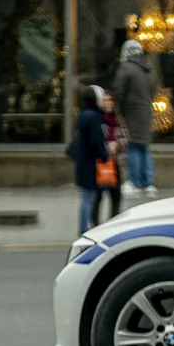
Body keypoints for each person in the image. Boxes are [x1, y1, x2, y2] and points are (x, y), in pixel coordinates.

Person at [113, 39, 158, 198]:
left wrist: (117, 109)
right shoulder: (149, 69)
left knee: (132, 147)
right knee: (144, 147)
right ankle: (149, 183)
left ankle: (135, 182)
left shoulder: (126, 68)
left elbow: (118, 91)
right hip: (146, 111)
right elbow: (153, 91)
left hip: (131, 112)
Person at [73, 85, 110, 236]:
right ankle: (83, 229)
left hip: (83, 162)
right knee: (88, 197)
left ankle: (84, 227)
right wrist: (105, 155)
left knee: (86, 196)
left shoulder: (84, 115)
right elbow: (95, 141)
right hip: (90, 163)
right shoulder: (93, 117)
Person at [90, 86, 125, 228]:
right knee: (97, 197)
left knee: (116, 195)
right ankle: (95, 225)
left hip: (113, 162)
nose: (108, 103)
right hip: (97, 162)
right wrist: (104, 146)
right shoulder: (96, 119)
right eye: (105, 100)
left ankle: (113, 224)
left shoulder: (118, 120)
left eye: (110, 100)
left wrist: (117, 144)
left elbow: (126, 136)